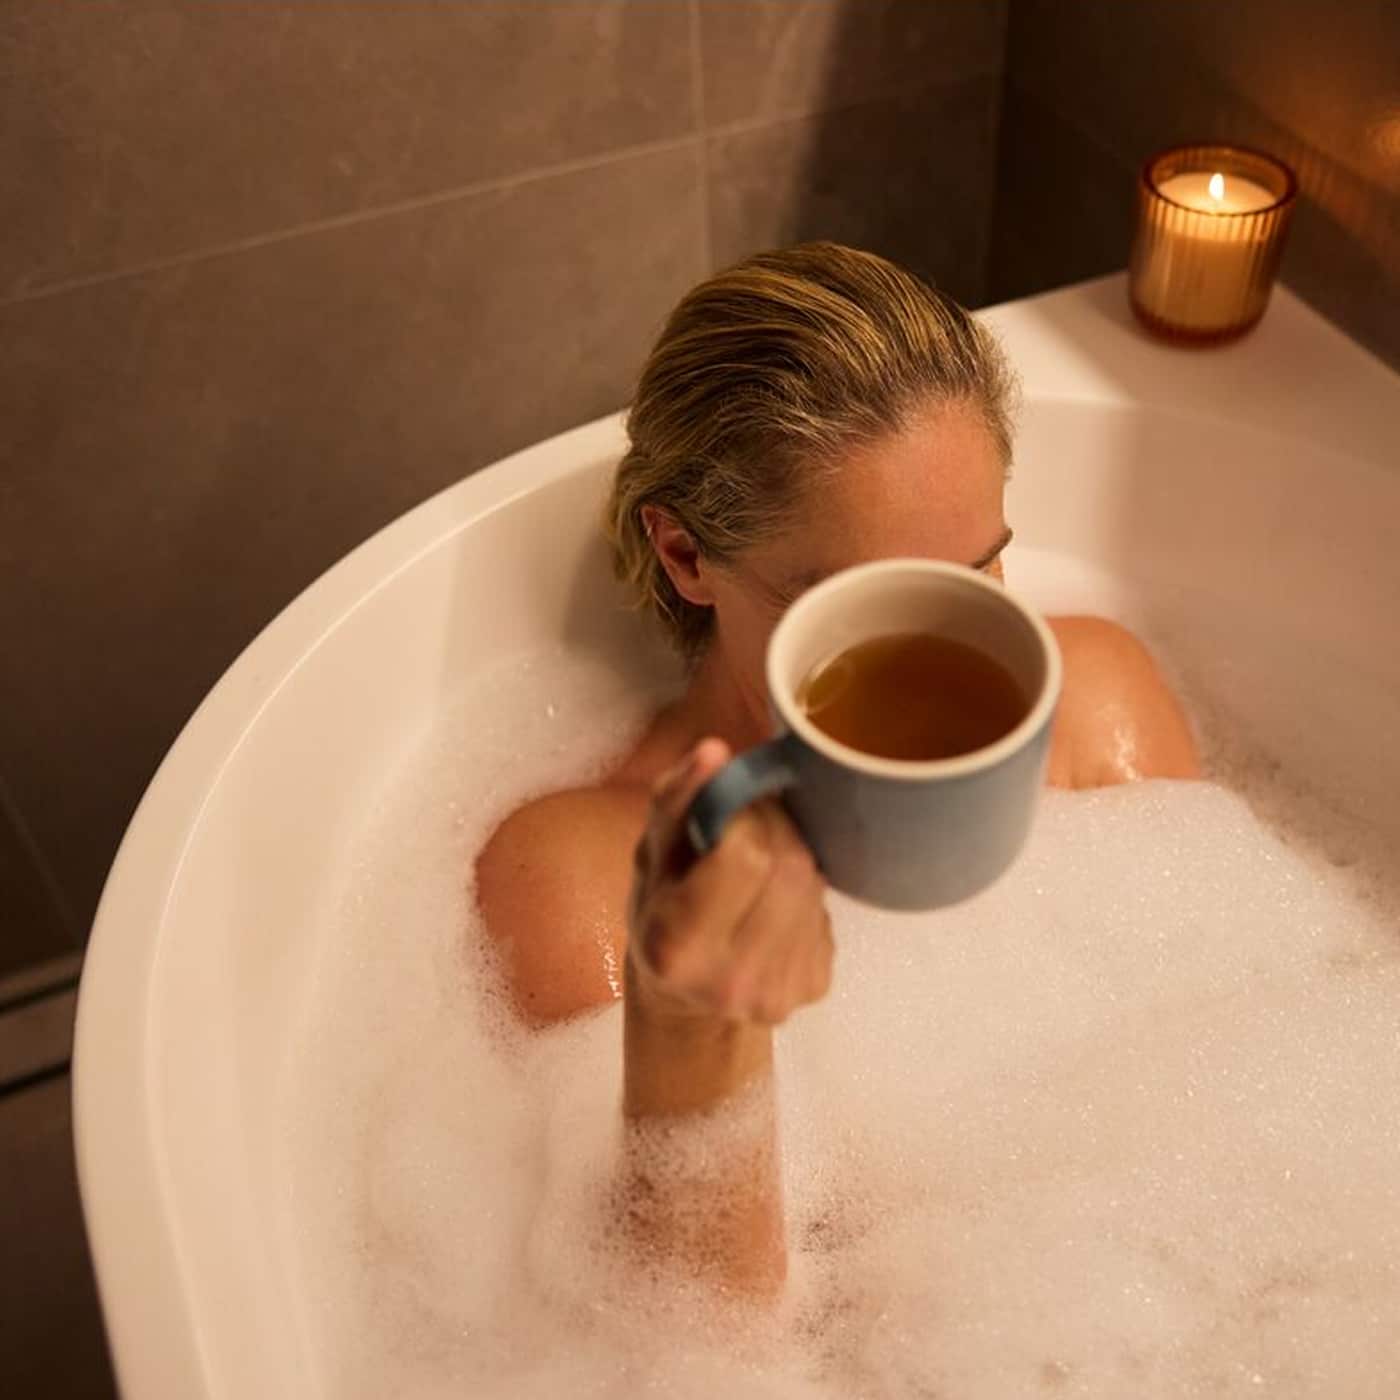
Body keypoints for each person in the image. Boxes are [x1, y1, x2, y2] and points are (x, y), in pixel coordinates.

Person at [476, 243, 1200, 1296]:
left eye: (976, 568)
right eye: (860, 603)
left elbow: (1221, 1059)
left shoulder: (1091, 704)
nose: (934, 649)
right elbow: (689, 1345)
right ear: (685, 557)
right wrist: (690, 1021)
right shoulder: (584, 875)